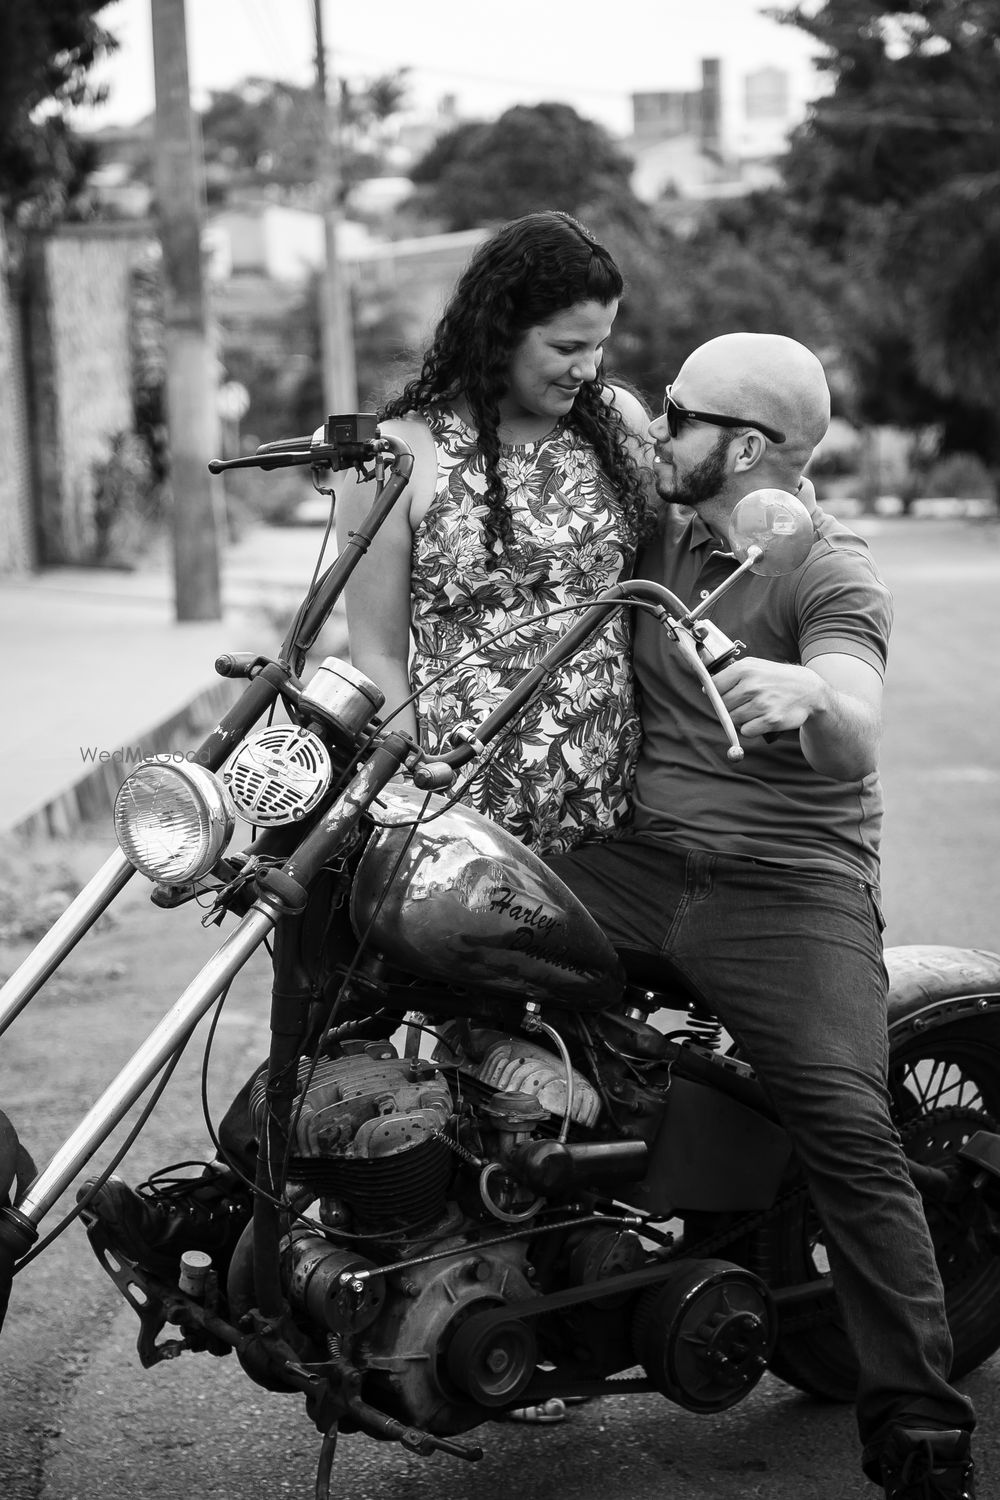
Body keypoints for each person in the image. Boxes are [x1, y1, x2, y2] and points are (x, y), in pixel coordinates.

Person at [544, 331, 977, 1498]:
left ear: (744, 446)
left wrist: (809, 696)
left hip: (791, 884)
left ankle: (921, 1435)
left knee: (846, 1125)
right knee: (433, 924)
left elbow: (854, 714)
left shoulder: (827, 568)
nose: (656, 430)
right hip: (637, 860)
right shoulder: (661, 532)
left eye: (678, 416)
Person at [335, 209, 653, 856]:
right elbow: (376, 653)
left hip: (611, 795)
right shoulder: (399, 457)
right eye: (566, 348)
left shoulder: (615, 423)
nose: (589, 369)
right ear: (500, 332)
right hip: (464, 807)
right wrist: (416, 791)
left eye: (600, 346)